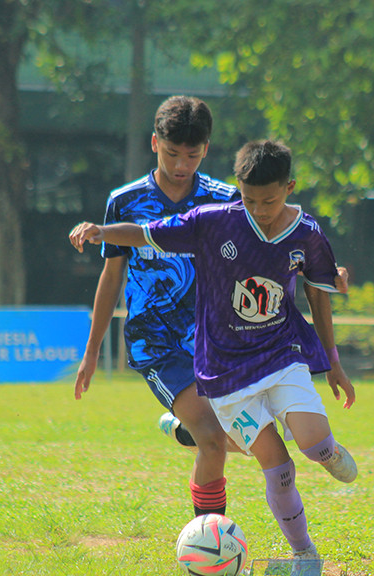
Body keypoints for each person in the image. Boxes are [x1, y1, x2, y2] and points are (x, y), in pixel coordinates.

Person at [70, 139, 357, 561]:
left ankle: (326, 452)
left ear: (290, 187)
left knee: (314, 444)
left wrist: (333, 363)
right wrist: (101, 231)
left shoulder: (308, 233)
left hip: (281, 354)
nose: (259, 209)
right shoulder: (214, 221)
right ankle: (305, 554)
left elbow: (320, 291)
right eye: (249, 199)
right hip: (224, 374)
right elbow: (147, 234)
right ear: (237, 188)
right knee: (277, 468)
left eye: (270, 200)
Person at [74, 96, 240, 519]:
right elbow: (111, 277)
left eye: (192, 154)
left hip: (214, 340)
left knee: (249, 440)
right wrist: (92, 350)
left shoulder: (226, 200)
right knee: (214, 441)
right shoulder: (125, 202)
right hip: (157, 343)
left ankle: (181, 429)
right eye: (171, 153)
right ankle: (209, 538)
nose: (181, 164)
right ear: (154, 143)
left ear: (206, 148)